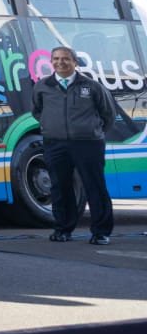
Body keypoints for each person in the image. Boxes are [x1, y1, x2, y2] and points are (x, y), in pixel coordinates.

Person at [32, 46, 113, 245]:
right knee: (60, 187)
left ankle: (101, 232)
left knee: (95, 186)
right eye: (56, 58)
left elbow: (108, 114)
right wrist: (51, 127)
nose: (60, 62)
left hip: (88, 144)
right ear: (51, 61)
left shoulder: (92, 86)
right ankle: (63, 230)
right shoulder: (42, 86)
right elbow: (37, 111)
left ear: (75, 62)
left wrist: (93, 131)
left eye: (66, 59)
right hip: (55, 144)